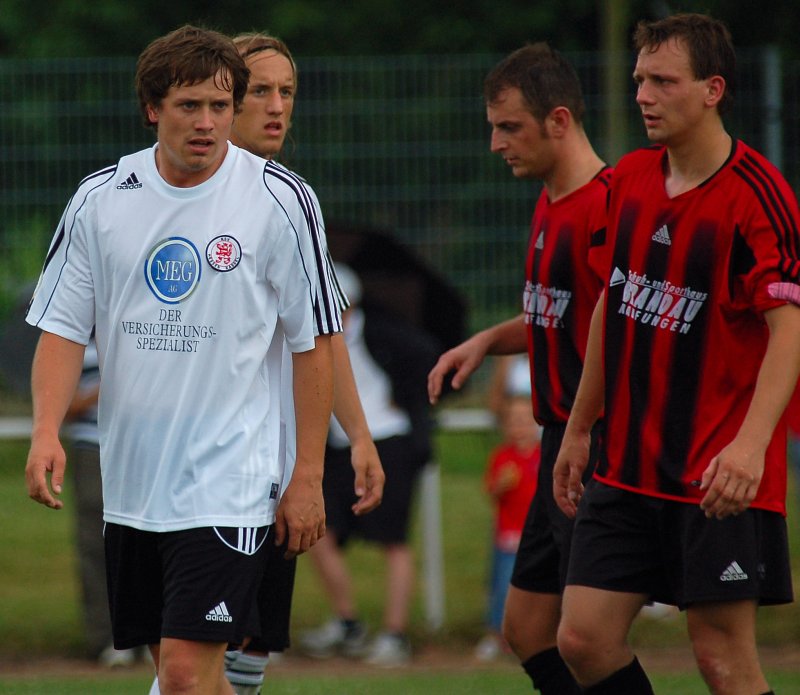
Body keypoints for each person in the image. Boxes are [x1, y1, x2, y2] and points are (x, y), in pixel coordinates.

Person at [24, 25, 335, 695]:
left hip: (229, 480)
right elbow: (62, 329)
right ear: (152, 108)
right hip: (133, 484)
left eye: (220, 106)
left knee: (188, 675)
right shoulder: (101, 198)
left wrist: (307, 475)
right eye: (189, 105)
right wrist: (46, 429)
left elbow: (313, 345)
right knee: (183, 675)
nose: (207, 122)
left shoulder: (280, 200)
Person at [553, 14, 800, 694]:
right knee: (582, 639)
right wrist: (580, 426)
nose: (643, 96)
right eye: (640, 80)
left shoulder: (757, 197)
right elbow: (611, 305)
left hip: (716, 474)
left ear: (712, 89)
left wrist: (750, 448)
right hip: (625, 467)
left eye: (663, 81)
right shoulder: (628, 181)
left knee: (721, 659)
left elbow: (790, 330)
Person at [427, 43, 609, 694]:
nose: (496, 144)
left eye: (509, 127)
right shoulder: (550, 198)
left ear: (558, 120)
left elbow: (617, 332)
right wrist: (485, 341)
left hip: (595, 442)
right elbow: (553, 314)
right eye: (493, 127)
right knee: (528, 628)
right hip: (560, 438)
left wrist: (583, 429)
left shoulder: (607, 207)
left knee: (589, 638)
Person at [219, 33, 384, 695]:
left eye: (286, 92)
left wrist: (359, 435)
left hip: (273, 464)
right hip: (207, 471)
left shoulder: (289, 199)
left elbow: (323, 334)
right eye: (260, 90)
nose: (277, 106)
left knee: (246, 654)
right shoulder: (177, 195)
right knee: (194, 659)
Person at [300, 263, 439, 667]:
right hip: (338, 448)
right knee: (317, 531)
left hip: (388, 442)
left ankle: (395, 635)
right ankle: (348, 623)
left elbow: (428, 359)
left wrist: (408, 400)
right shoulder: (310, 336)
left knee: (393, 540)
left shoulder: (383, 332)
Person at [63, 334, 140, 667]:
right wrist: (105, 388)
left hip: (139, 448)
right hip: (91, 450)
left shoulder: (138, 339)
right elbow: (64, 407)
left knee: (143, 541)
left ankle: (147, 633)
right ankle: (105, 638)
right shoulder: (79, 349)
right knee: (95, 543)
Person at [475, 393, 540, 661]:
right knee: (502, 587)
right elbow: (490, 491)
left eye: (524, 420)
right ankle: (496, 634)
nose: (519, 426)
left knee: (538, 591)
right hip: (508, 538)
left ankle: (530, 636)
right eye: (513, 420)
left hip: (537, 537)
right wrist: (501, 484)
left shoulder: (544, 456)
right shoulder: (502, 457)